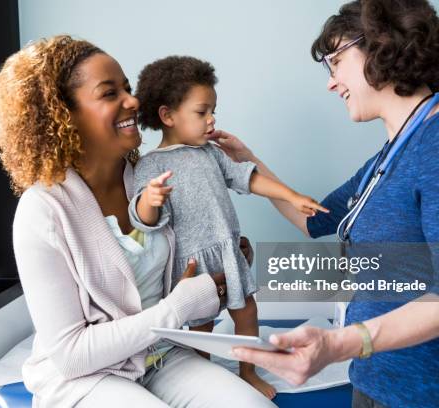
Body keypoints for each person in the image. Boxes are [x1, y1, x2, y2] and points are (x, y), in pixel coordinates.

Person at [212, 1, 439, 407]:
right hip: (373, 380)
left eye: (335, 62)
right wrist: (248, 162)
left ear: (380, 45)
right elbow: (312, 220)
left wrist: (343, 342)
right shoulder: (385, 160)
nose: (331, 82)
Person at [0, 35, 277, 408]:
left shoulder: (147, 178)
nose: (133, 101)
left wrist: (226, 261)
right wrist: (179, 307)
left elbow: (185, 261)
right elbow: (72, 354)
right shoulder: (42, 209)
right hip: (85, 376)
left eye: (127, 87)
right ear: (63, 114)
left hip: (161, 355)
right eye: (110, 93)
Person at [129, 55, 329, 399]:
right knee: (200, 329)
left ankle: (248, 372)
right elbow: (142, 220)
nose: (212, 119)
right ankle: (201, 379)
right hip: (192, 266)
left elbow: (248, 178)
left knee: (247, 311)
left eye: (213, 111)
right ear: (168, 116)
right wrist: (150, 199)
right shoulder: (151, 166)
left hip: (227, 251)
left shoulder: (211, 153)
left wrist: (292, 195)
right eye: (202, 111)